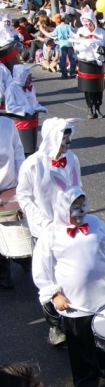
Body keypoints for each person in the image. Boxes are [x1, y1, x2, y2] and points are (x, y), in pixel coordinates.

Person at [32, 175, 105, 387]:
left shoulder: (96, 225)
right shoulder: (51, 234)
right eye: (74, 208)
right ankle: (86, 382)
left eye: (82, 206)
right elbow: (41, 268)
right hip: (76, 305)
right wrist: (54, 293)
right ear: (62, 209)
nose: (80, 212)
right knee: (81, 346)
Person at [17, 118, 82, 346]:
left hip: (69, 227)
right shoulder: (33, 164)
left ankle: (76, 316)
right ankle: (54, 325)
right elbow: (23, 196)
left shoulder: (72, 159)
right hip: (44, 229)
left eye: (69, 136)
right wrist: (42, 222)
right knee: (47, 277)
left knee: (71, 272)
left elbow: (77, 190)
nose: (68, 141)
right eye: (64, 137)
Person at [0, 117, 25, 290]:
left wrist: (21, 184)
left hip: (9, 187)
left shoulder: (8, 124)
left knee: (15, 230)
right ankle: (3, 276)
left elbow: (18, 153)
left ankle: (25, 260)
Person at [73, 6, 105, 119]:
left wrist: (101, 54)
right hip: (86, 62)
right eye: (84, 21)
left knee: (99, 88)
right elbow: (75, 46)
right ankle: (90, 108)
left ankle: (98, 108)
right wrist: (84, 45)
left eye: (88, 21)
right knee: (88, 88)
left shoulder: (102, 32)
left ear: (93, 21)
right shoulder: (80, 31)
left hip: (98, 63)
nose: (86, 24)